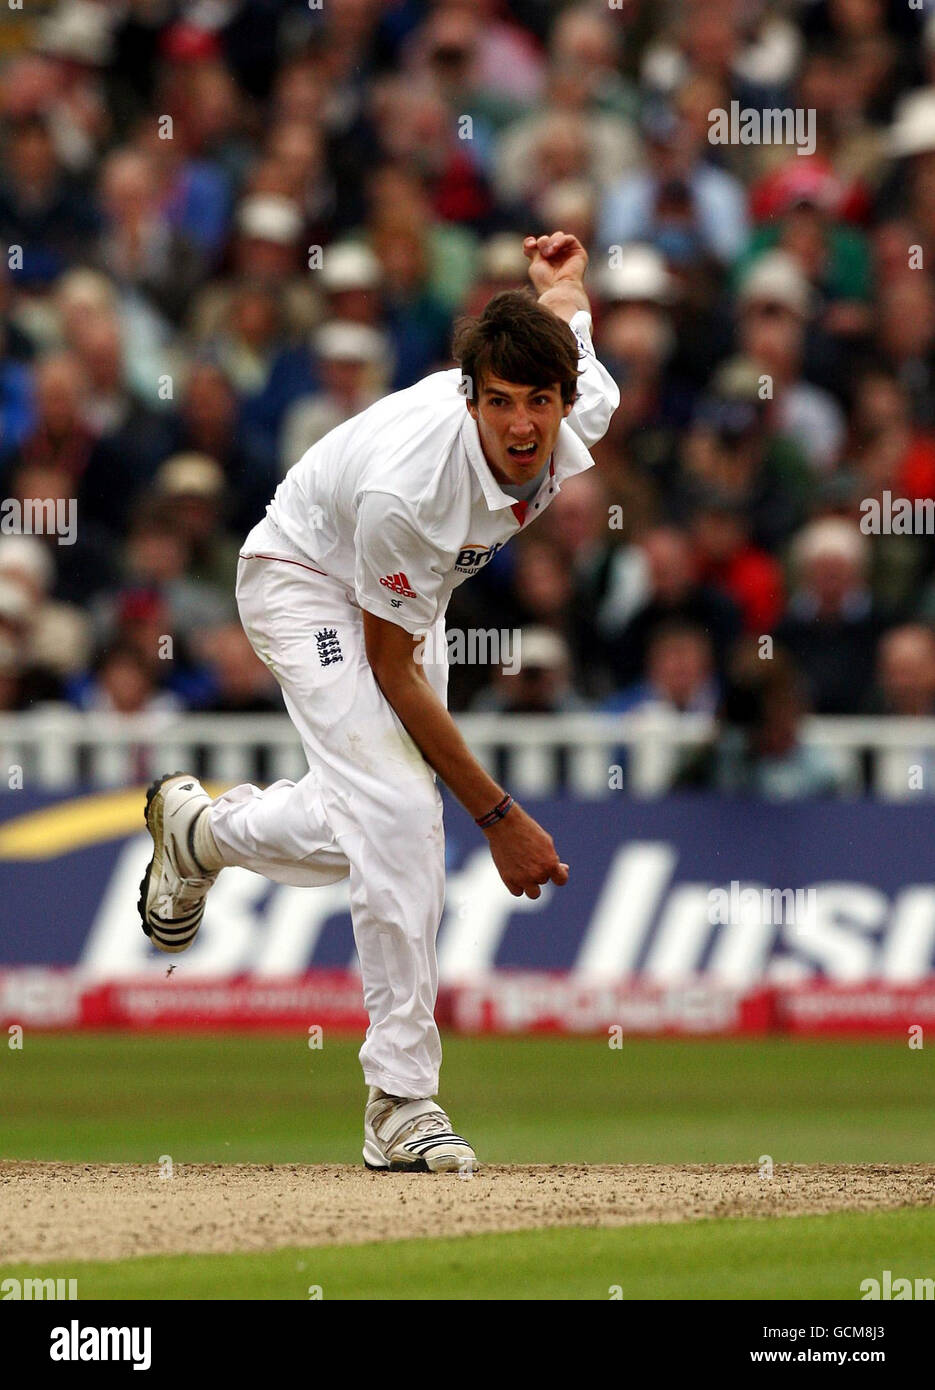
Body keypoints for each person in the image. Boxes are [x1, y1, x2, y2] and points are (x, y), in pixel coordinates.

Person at [137, 231, 619, 1172]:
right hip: (305, 578)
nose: (523, 428)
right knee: (401, 811)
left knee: (375, 818)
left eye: (540, 403)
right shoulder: (415, 488)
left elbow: (566, 322)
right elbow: (392, 670)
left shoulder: (578, 401)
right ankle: (400, 1099)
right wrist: (500, 815)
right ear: (469, 396)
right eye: (500, 404)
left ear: (566, 399)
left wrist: (563, 281)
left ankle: (199, 833)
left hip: (407, 591)